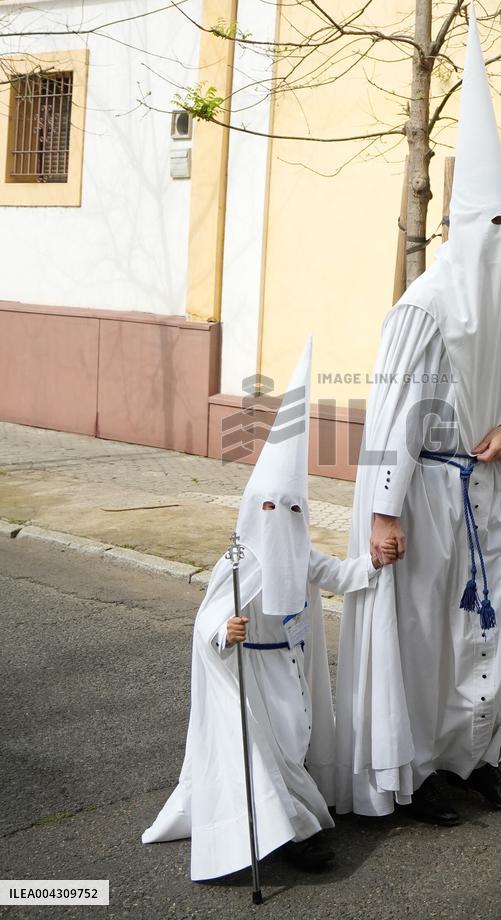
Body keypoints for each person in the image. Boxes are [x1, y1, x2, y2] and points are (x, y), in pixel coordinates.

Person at [335, 4, 501, 826]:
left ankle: (481, 754)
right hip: (424, 491)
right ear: (461, 229)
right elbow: (391, 410)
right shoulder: (425, 306)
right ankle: (419, 770)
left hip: (485, 488)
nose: (499, 239)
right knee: (425, 637)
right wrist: (384, 510)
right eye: (488, 225)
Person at [141, 338, 395, 880]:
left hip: (291, 670)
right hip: (250, 671)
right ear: (255, 508)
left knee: (288, 749)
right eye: (272, 507)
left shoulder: (299, 555)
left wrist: (375, 563)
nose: (283, 517)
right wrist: (222, 629)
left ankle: (291, 826)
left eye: (294, 508)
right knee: (260, 754)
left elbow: (340, 575)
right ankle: (283, 841)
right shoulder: (241, 561)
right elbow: (206, 616)